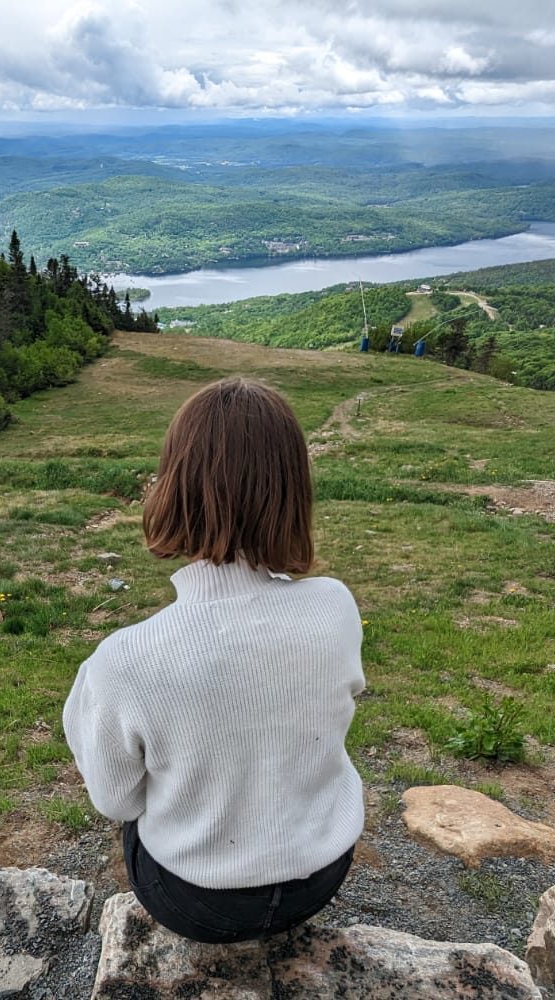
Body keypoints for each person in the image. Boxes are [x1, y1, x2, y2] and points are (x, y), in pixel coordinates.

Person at [62, 377, 365, 944]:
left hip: (195, 902)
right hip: (322, 876)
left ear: (175, 487)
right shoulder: (336, 606)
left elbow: (115, 799)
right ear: (294, 489)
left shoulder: (124, 659)